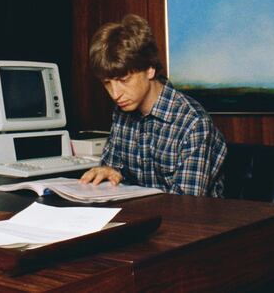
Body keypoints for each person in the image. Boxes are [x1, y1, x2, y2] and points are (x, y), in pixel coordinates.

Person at [80, 13, 227, 196]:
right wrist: (108, 173)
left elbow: (187, 204)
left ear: (150, 69)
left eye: (124, 80)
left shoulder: (193, 123)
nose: (115, 94)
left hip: (186, 214)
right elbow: (112, 171)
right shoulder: (122, 112)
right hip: (138, 212)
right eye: (107, 83)